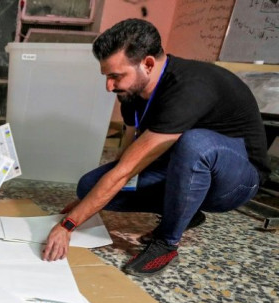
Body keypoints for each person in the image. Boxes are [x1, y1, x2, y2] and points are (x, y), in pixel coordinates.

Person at [42, 18, 269, 276]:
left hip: (236, 182)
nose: (109, 86)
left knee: (195, 145)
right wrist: (90, 201)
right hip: (182, 168)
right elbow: (127, 156)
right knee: (88, 186)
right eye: (106, 76)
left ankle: (167, 242)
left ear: (148, 64)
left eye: (116, 76)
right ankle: (185, 213)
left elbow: (125, 171)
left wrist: (68, 225)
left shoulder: (189, 87)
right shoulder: (131, 92)